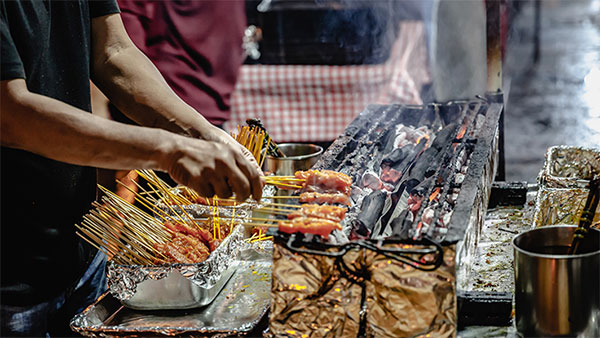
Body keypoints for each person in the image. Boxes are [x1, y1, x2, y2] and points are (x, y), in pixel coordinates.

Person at [0, 0, 263, 336]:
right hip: (11, 278)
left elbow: (113, 50)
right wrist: (169, 151)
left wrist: (205, 134)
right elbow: (10, 115)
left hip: (78, 249)